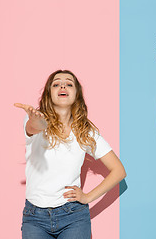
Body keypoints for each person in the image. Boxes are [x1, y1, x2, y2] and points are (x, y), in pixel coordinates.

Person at [14, 69, 126, 239]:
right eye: (56, 84)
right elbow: (34, 126)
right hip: (35, 217)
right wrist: (35, 121)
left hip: (73, 216)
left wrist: (87, 197)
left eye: (69, 83)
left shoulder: (85, 131)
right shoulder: (36, 121)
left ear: (77, 95)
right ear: (48, 95)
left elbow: (119, 171)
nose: (62, 86)